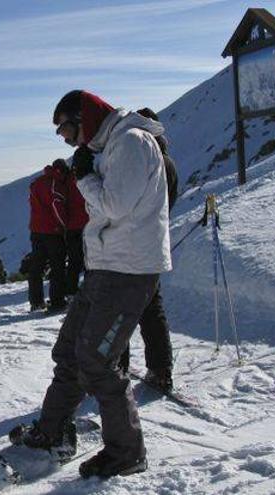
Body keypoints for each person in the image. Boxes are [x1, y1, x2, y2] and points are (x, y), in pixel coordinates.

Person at [12, 90, 171, 479]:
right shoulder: (111, 145)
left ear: (83, 118)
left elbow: (115, 206)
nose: (64, 139)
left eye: (65, 128)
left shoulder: (132, 142)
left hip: (129, 271)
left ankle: (126, 452)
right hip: (106, 266)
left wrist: (84, 176)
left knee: (97, 361)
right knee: (69, 350)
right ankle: (51, 431)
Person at [117, 107, 179, 391]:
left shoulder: (139, 160)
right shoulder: (169, 163)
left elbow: (122, 204)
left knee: (119, 309)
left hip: (130, 246)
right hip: (154, 245)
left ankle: (116, 366)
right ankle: (161, 368)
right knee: (152, 309)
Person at [27, 160, 69, 314]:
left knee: (36, 266)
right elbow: (56, 206)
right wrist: (64, 227)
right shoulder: (54, 184)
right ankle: (57, 300)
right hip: (52, 230)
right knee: (57, 266)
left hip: (36, 229)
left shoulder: (36, 183)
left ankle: (36, 301)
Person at [64, 161, 89, 297]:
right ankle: (89, 290)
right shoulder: (87, 179)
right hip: (86, 224)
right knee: (88, 260)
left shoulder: (64, 182)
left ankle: (71, 291)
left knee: (74, 261)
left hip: (71, 226)